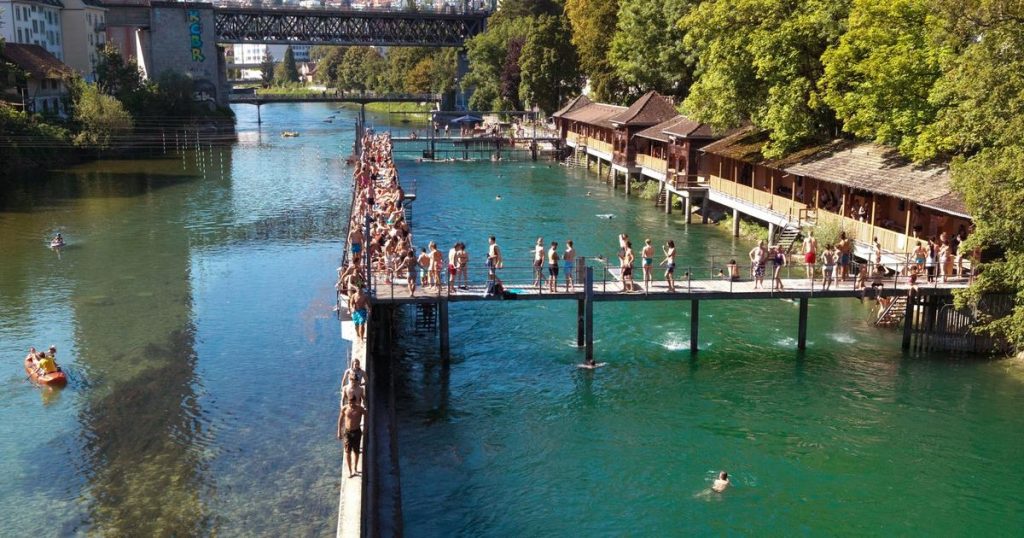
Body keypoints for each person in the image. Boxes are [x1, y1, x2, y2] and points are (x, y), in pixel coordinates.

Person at [338, 399, 366, 479]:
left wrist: (365, 428)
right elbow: (340, 420)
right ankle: (350, 471)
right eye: (350, 403)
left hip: (357, 432)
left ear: (355, 401)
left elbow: (367, 416)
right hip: (347, 432)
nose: (351, 404)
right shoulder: (345, 408)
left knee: (356, 452)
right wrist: (339, 431)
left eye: (352, 403)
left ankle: (355, 468)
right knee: (347, 452)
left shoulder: (359, 409)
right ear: (348, 402)